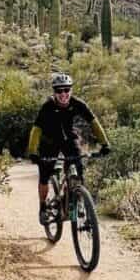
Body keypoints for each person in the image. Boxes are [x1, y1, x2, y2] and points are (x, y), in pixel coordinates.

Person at [27, 73, 110, 224]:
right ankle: (43, 207)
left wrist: (105, 143)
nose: (63, 94)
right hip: (49, 142)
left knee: (78, 171)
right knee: (45, 174)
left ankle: (74, 201)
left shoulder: (78, 103)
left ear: (71, 90)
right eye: (59, 91)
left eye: (66, 90)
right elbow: (36, 130)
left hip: (69, 140)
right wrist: (33, 151)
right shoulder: (48, 106)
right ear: (54, 92)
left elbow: (93, 123)